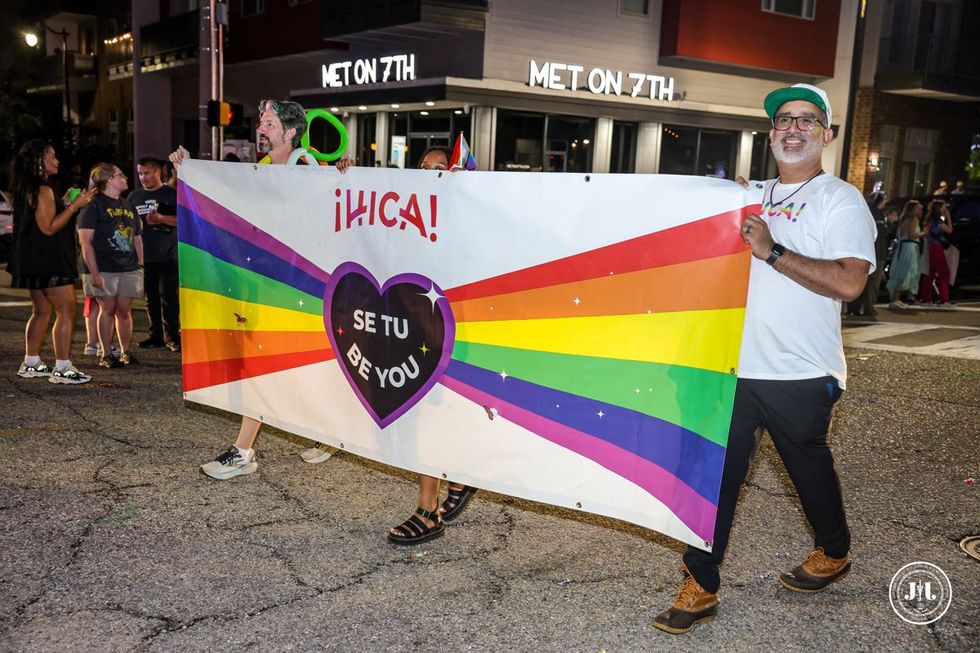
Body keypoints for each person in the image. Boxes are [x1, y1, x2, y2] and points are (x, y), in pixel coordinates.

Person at [654, 83, 875, 634]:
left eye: (806, 120)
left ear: (825, 135)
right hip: (733, 367)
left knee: (807, 466)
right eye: (783, 120)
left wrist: (773, 251)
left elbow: (849, 283)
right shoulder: (749, 193)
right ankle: (701, 583)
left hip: (800, 370)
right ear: (770, 133)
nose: (793, 128)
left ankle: (834, 550)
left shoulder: (839, 199)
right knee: (713, 475)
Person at [171, 98, 348, 479]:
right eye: (262, 121)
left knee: (284, 362)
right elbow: (226, 195)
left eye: (268, 123)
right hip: (273, 285)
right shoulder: (264, 168)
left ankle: (249, 449)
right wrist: (188, 167)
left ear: (289, 132)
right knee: (272, 363)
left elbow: (333, 209)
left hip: (303, 286)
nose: (260, 129)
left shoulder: (305, 166)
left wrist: (344, 174)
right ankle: (305, 436)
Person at [387, 145, 478, 545]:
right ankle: (456, 478)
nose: (430, 173)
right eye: (423, 167)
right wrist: (345, 175)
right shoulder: (411, 213)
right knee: (429, 415)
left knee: (439, 416)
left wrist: (467, 189)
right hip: (421, 330)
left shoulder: (470, 213)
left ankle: (429, 511)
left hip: (458, 330)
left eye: (440, 167)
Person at [7, 139, 97, 384]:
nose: (57, 160)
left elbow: (42, 219)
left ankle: (32, 362)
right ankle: (63, 368)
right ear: (39, 160)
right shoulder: (42, 189)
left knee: (41, 311)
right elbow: (49, 228)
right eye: (52, 156)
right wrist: (75, 206)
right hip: (49, 259)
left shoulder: (29, 187)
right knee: (67, 311)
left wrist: (65, 203)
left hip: (31, 259)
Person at [78, 162, 144, 369]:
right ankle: (106, 353)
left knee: (124, 311)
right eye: (120, 175)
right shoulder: (93, 206)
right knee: (107, 309)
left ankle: (125, 351)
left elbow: (137, 238)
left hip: (128, 267)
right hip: (104, 267)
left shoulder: (128, 205)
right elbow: (85, 242)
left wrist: (140, 265)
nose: (125, 178)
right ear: (109, 180)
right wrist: (95, 273)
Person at [130, 156, 181, 351]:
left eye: (147, 173)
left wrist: (161, 218)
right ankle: (155, 335)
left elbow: (184, 220)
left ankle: (173, 337)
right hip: (145, 256)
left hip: (168, 254)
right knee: (150, 297)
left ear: (158, 172)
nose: (143, 177)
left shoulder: (171, 194)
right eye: (140, 173)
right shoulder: (134, 197)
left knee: (167, 296)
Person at [846, 192, 894, 318]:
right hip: (875, 253)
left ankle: (854, 308)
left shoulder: (869, 212)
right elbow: (881, 232)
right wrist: (890, 223)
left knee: (862, 281)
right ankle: (869, 309)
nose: (886, 201)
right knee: (872, 283)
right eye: (885, 199)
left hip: (867, 251)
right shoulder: (877, 214)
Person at [885, 200, 925, 309]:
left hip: (904, 247)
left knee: (901, 270)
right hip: (910, 247)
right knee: (905, 271)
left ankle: (896, 298)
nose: (921, 210)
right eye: (919, 208)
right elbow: (911, 234)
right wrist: (923, 233)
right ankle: (895, 299)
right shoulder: (913, 219)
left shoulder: (904, 219)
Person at [918, 200, 953, 304]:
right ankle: (943, 299)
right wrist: (949, 217)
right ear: (939, 208)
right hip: (937, 247)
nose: (945, 209)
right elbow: (950, 230)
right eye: (943, 207)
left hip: (929, 247)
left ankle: (925, 297)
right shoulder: (939, 222)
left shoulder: (928, 220)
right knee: (944, 273)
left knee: (930, 273)